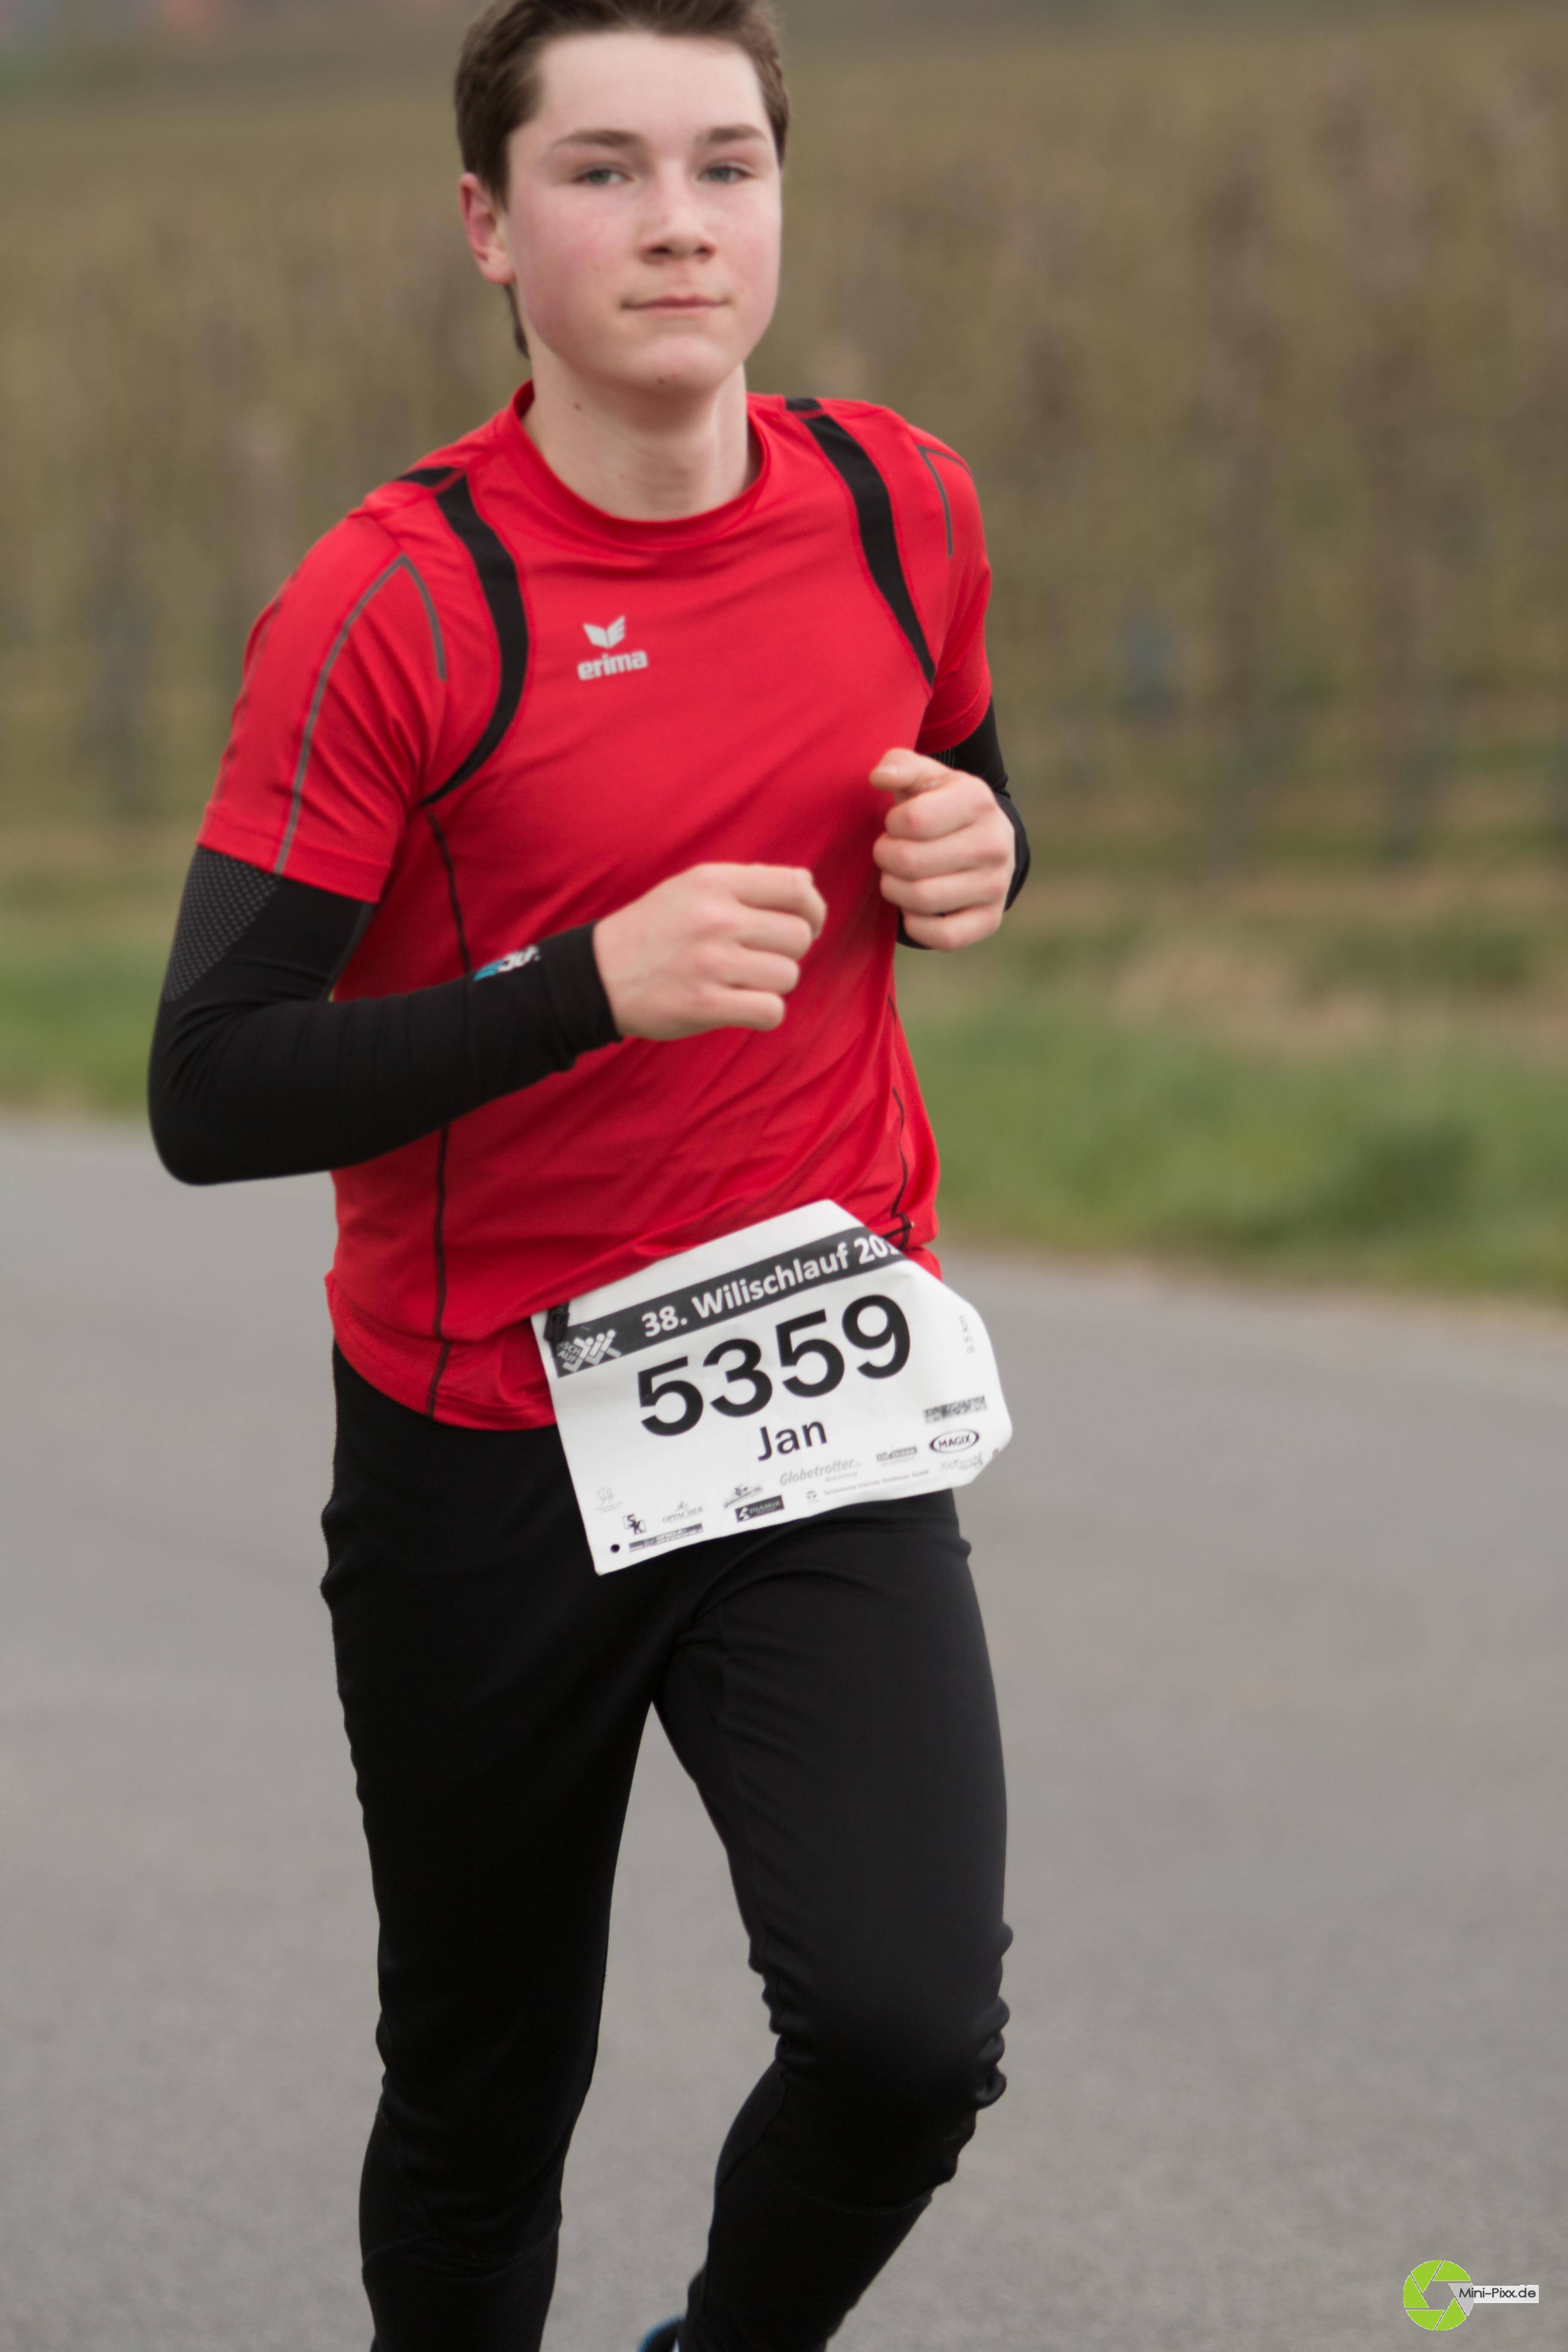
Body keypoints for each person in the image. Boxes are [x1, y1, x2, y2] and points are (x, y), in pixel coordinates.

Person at [148, 3, 1030, 2346]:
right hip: (484, 1444)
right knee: (484, 2098)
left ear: (781, 198)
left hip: (812, 1384)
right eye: (604, 171)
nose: (676, 227)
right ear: (488, 223)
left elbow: (963, 788)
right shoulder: (395, 601)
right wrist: (583, 986)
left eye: (727, 166)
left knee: (907, 2035)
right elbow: (213, 1089)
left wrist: (987, 850)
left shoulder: (900, 504)